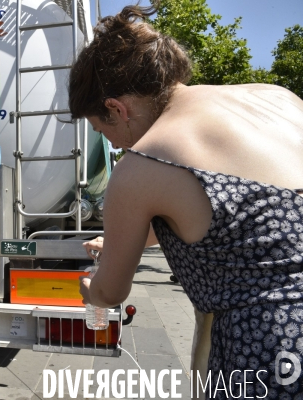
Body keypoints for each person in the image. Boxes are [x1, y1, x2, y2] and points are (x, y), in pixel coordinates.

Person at [69, 3, 303, 399]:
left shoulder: (142, 164)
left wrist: (89, 288)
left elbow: (110, 293)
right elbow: (240, 224)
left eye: (100, 129)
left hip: (273, 348)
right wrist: (122, 242)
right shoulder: (277, 98)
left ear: (116, 108)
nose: (110, 143)